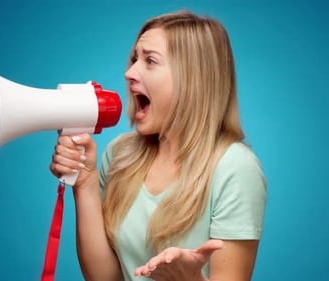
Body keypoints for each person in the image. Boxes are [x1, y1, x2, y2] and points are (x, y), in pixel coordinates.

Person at [50, 10, 267, 281]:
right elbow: (105, 278)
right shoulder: (120, 155)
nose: (129, 72)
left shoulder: (235, 167)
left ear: (194, 78)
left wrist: (190, 278)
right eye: (134, 59)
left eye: (150, 61)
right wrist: (85, 185)